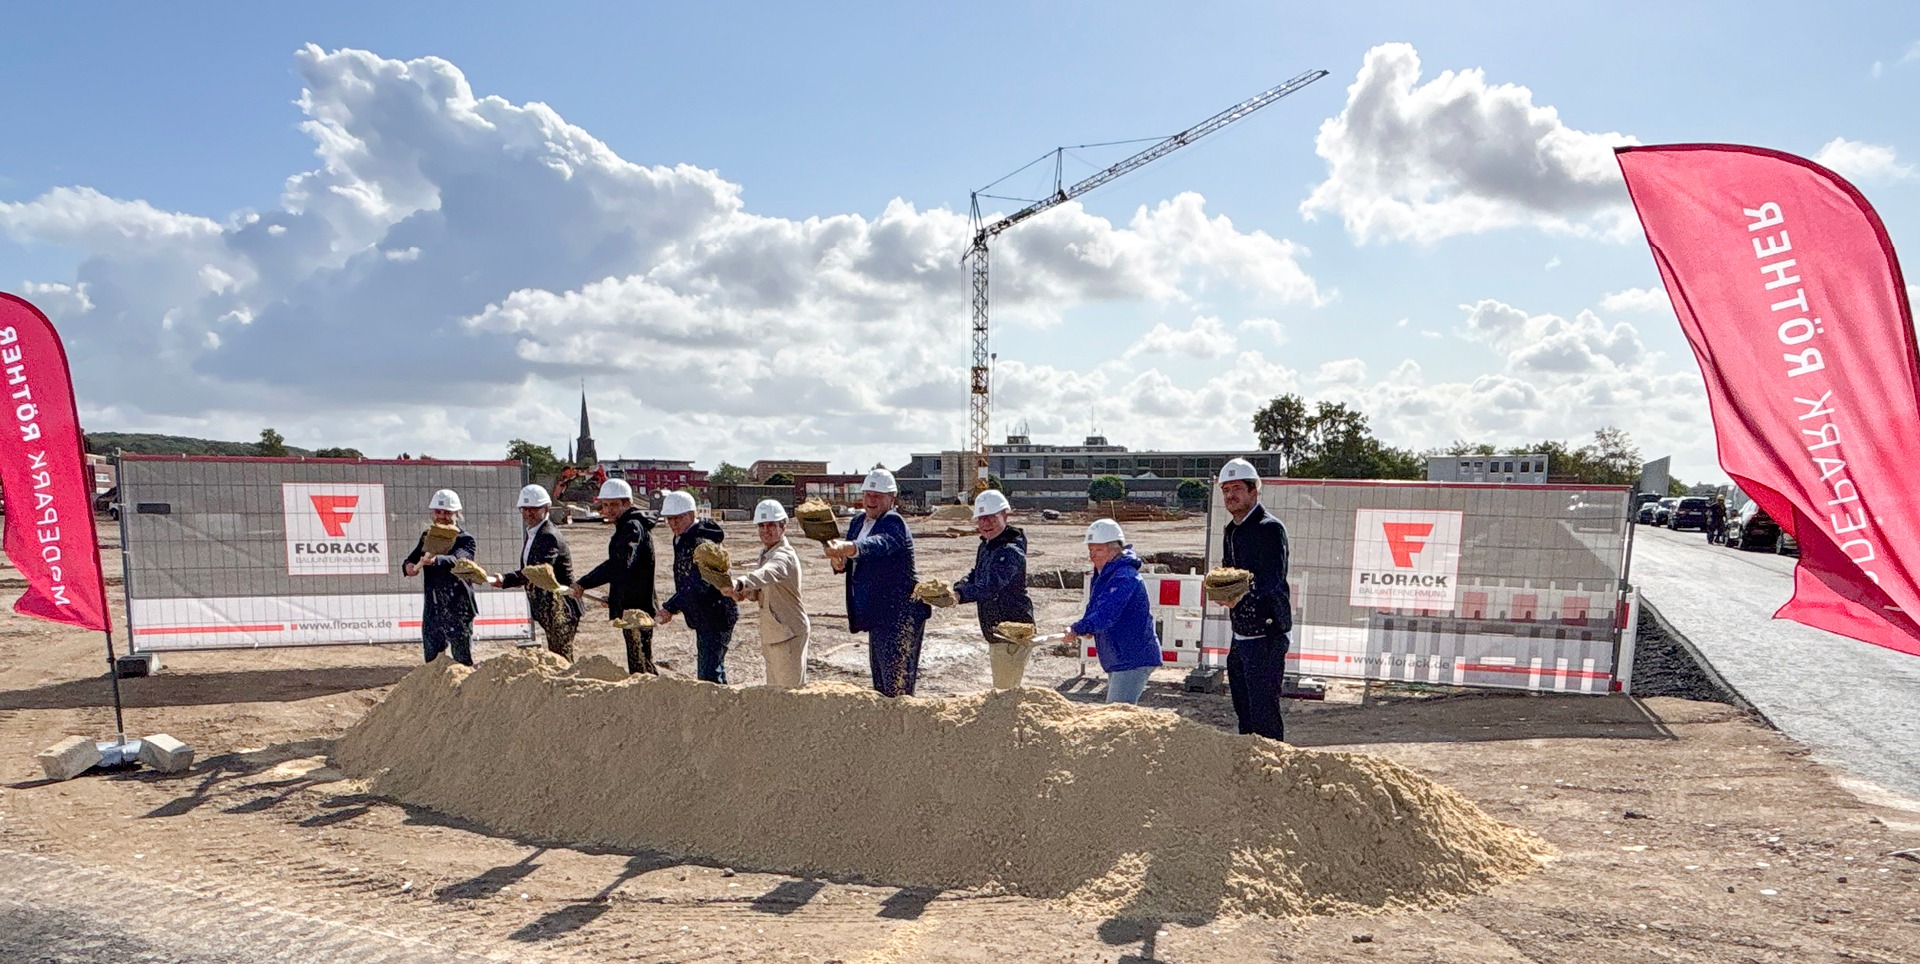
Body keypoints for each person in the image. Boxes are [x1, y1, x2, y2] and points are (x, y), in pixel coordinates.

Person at [824, 468, 930, 696]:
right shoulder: (858, 522)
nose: (871, 500)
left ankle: (903, 729)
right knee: (881, 683)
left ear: (891, 498)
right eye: (867, 495)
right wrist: (839, 562)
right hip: (878, 614)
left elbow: (879, 544)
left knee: (897, 684)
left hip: (900, 615)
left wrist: (849, 548)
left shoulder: (893, 522)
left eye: (878, 496)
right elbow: (851, 561)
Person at [1218, 457, 1292, 740]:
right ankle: (1249, 769)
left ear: (1253, 491)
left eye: (1236, 488)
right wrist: (1222, 589)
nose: (1230, 496)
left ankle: (1271, 770)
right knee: (1244, 709)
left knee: (1264, 713)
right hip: (1242, 633)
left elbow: (1271, 577)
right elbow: (1230, 571)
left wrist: (1238, 595)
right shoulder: (1231, 530)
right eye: (1225, 490)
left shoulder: (1269, 528)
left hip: (1267, 632)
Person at [1063, 518, 1161, 704]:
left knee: (1116, 717)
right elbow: (1096, 607)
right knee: (1119, 716)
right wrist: (1088, 626)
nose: (1093, 555)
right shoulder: (1106, 575)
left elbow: (1107, 612)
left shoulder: (1124, 577)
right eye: (1090, 550)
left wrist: (1078, 628)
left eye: (1098, 550)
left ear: (1115, 549)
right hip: (1121, 656)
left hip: (1132, 657)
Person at [571, 478, 659, 675]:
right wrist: (614, 598)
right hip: (632, 604)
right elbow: (629, 571)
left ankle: (652, 701)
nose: (608, 509)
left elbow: (620, 564)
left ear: (627, 503)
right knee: (640, 661)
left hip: (638, 610)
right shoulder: (628, 525)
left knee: (641, 664)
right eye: (605, 505)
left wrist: (584, 583)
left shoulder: (632, 526)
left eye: (614, 504)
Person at [950, 488, 1036, 688]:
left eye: (991, 518)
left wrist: (960, 595)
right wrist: (960, 585)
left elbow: (990, 587)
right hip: (999, 631)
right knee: (1004, 687)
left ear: (1005, 515)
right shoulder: (988, 545)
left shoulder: (1009, 551)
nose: (984, 524)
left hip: (1012, 632)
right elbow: (977, 573)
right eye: (981, 519)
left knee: (1005, 691)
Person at [490, 483, 581, 661]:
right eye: (524, 509)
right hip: (550, 608)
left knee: (561, 659)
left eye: (533, 509)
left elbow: (537, 572)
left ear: (546, 508)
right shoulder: (534, 533)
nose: (528, 514)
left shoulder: (548, 535)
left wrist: (506, 580)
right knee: (557, 657)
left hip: (561, 607)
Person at [656, 490, 739, 684]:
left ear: (692, 515)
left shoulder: (702, 543)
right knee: (710, 669)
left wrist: (670, 607)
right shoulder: (682, 538)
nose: (673, 524)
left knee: (710, 674)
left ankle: (720, 709)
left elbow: (697, 584)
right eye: (669, 519)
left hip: (716, 614)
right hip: (703, 614)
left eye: (678, 518)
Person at [726, 499, 810, 688]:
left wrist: (740, 583)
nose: (766, 530)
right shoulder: (766, 554)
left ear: (783, 527)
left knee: (789, 696)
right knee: (775, 692)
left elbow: (768, 573)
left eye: (771, 525)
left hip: (788, 633)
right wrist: (742, 593)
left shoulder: (784, 555)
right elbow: (759, 592)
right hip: (774, 633)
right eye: (762, 526)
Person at [401, 489, 478, 665]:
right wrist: (408, 567)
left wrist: (437, 560)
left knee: (461, 659)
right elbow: (412, 559)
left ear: (457, 514)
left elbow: (460, 559)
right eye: (438, 512)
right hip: (433, 607)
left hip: (458, 607)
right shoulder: (427, 537)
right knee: (432, 661)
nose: (442, 516)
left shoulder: (465, 539)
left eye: (447, 513)